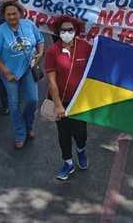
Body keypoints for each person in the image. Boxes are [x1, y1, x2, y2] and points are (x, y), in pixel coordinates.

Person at [0, 0, 44, 150]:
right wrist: (6, 73)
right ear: (4, 16)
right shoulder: (0, 32)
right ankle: (20, 133)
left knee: (33, 100)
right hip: (11, 73)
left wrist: (39, 53)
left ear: (20, 13)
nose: (12, 17)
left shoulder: (29, 25)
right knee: (14, 105)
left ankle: (28, 125)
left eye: (14, 13)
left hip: (27, 69)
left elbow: (40, 40)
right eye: (8, 15)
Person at [46, 15, 94, 179]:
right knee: (64, 133)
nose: (66, 33)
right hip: (60, 99)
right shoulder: (53, 51)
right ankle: (68, 162)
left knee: (80, 132)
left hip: (80, 100)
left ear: (77, 30)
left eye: (70, 30)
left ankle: (81, 149)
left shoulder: (86, 47)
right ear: (58, 31)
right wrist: (58, 105)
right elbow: (52, 82)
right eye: (63, 30)